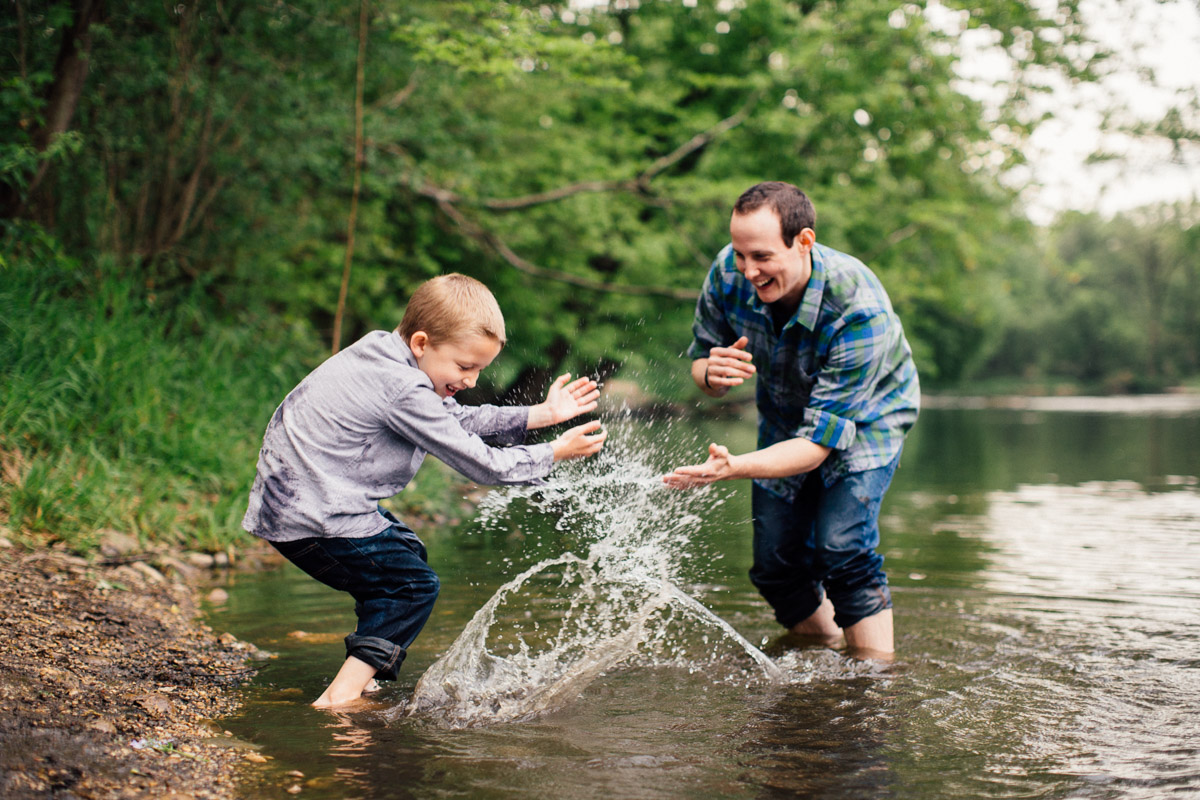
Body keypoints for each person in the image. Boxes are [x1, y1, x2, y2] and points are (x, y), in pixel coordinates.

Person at [242, 273, 607, 707]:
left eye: (480, 370)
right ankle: (339, 700)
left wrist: (541, 414)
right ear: (420, 343)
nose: (471, 380)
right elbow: (481, 464)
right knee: (412, 587)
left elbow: (455, 421)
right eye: (465, 366)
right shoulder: (401, 388)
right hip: (313, 516)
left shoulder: (385, 353)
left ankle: (367, 668)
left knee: (405, 554)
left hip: (299, 503)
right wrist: (553, 453)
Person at [663, 182, 919, 657]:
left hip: (868, 420)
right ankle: (824, 652)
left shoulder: (859, 309)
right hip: (784, 413)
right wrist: (709, 374)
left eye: (761, 256)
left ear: (804, 241)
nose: (747, 270)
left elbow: (817, 447)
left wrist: (736, 466)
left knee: (842, 547)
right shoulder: (728, 271)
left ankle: (874, 681)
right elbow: (700, 361)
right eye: (740, 254)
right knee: (775, 566)